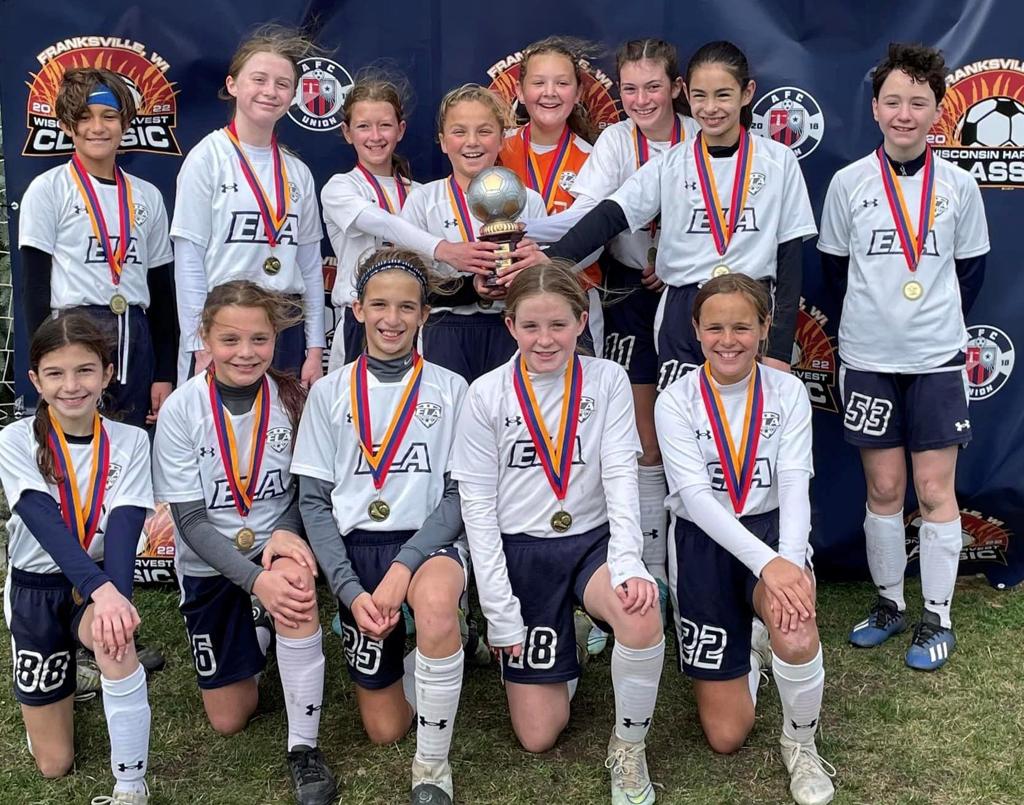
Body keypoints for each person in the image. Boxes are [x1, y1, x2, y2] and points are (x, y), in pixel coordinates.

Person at [452, 262, 665, 805]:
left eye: (558, 325)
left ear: (580, 322)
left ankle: (629, 748)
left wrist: (630, 561)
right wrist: (499, 610)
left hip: (592, 543)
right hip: (523, 552)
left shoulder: (608, 380)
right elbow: (477, 510)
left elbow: (621, 476)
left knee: (641, 615)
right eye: (531, 326)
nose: (545, 340)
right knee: (538, 735)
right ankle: (556, 641)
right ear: (510, 326)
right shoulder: (485, 394)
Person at [817, 43, 989, 671]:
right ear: (875, 108)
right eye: (893, 101)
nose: (904, 114)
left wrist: (924, 322)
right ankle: (889, 603)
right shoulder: (848, 183)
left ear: (937, 111)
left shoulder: (961, 186)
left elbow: (970, 273)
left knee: (934, 488)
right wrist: (880, 320)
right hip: (867, 358)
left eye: (918, 102)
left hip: (937, 360)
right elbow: (835, 272)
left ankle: (937, 616)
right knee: (885, 488)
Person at [293, 247, 470, 805]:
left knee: (434, 603)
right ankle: (435, 653)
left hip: (427, 545)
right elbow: (314, 503)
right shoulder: (328, 393)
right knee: (384, 727)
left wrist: (402, 569)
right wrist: (347, 588)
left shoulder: (452, 388)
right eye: (380, 305)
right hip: (356, 552)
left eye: (406, 307)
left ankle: (432, 766)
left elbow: (459, 495)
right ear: (358, 309)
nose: (392, 319)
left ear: (424, 315)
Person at [152, 282, 336, 805]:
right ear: (205, 337)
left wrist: (288, 532)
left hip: (274, 549)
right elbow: (190, 522)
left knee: (293, 583)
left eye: (259, 339)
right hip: (209, 563)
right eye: (230, 340)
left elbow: (306, 492)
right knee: (230, 718)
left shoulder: (293, 400)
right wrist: (255, 582)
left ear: (275, 338)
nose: (246, 352)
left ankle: (303, 748)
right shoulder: (182, 409)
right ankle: (259, 626)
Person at [544, 40, 816, 393]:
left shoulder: (779, 161)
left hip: (750, 305)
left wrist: (778, 349)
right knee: (681, 420)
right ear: (686, 93)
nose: (710, 108)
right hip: (682, 311)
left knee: (746, 421)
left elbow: (791, 260)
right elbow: (611, 215)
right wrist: (550, 259)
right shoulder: (671, 162)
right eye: (700, 96)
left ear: (747, 93)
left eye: (723, 95)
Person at [655, 273, 835, 805]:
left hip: (772, 532)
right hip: (703, 545)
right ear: (695, 329)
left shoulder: (788, 390)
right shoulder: (675, 400)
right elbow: (696, 500)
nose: (728, 340)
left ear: (764, 328)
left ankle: (800, 745)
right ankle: (749, 650)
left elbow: (796, 484)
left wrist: (790, 564)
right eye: (715, 328)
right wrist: (768, 565)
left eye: (741, 327)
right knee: (726, 736)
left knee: (795, 629)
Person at [0, 313, 154, 804]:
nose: (71, 386)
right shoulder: (15, 440)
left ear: (107, 374)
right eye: (55, 373)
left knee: (116, 642)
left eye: (85, 370)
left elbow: (125, 528)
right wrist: (104, 592)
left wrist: (116, 604)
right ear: (35, 380)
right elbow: (42, 520)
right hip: (37, 589)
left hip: (100, 584)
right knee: (54, 764)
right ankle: (67, 676)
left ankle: (130, 786)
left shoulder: (131, 441)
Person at [18, 67, 176, 428]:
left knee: (133, 439)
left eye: (109, 116)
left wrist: (164, 372)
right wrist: (44, 362)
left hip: (135, 333)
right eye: (84, 117)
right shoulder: (49, 189)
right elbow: (34, 287)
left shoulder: (148, 196)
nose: (97, 127)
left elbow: (162, 293)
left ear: (126, 123)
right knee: (74, 439)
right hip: (72, 330)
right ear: (66, 125)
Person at [171, 25, 325, 388]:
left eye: (282, 84)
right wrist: (199, 343)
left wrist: (315, 348)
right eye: (259, 79)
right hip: (224, 323)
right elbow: (189, 259)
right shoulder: (207, 159)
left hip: (285, 324)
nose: (270, 91)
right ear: (233, 85)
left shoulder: (297, 172)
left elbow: (310, 267)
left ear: (293, 96)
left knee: (282, 423)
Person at [321, 71, 506, 373]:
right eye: (363, 126)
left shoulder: (419, 193)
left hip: (411, 318)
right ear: (347, 132)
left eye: (385, 125)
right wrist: (444, 249)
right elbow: (384, 223)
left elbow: (431, 275)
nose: (375, 136)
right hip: (362, 317)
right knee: (356, 398)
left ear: (401, 129)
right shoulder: (341, 188)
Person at [400, 83, 547, 383]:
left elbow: (543, 281)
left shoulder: (527, 200)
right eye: (459, 132)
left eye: (484, 131)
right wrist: (469, 288)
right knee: (448, 411)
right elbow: (408, 286)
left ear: (502, 138)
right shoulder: (423, 201)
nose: (472, 142)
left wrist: (525, 273)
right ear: (443, 142)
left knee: (511, 408)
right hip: (445, 327)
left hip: (512, 326)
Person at [497, 35, 604, 353]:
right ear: (519, 91)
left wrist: (549, 259)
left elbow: (596, 239)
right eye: (538, 82)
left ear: (579, 92)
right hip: (507, 304)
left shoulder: (595, 158)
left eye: (562, 83)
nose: (550, 92)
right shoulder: (496, 150)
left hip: (574, 300)